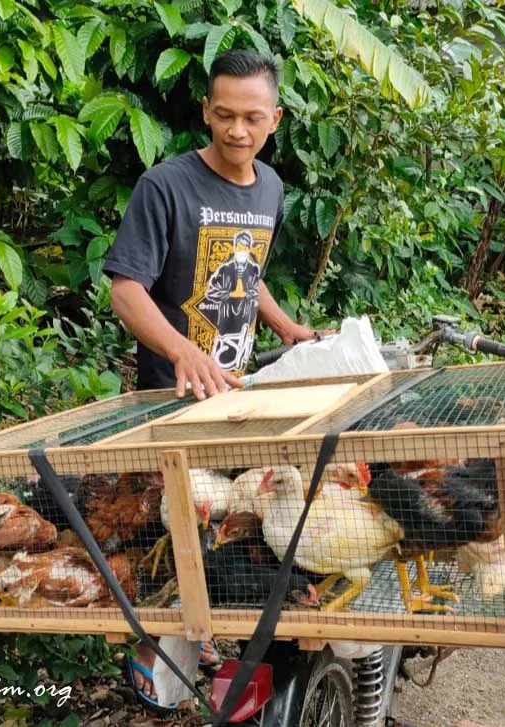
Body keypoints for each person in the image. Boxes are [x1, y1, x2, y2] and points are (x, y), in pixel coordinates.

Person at [103, 49, 322, 708]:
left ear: (275, 119)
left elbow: (243, 274)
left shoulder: (272, 189)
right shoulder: (165, 186)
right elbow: (125, 287)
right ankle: (157, 663)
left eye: (252, 117)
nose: (236, 130)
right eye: (223, 114)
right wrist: (183, 352)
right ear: (205, 110)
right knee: (174, 525)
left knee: (228, 521)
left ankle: (208, 635)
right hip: (172, 396)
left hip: (236, 392)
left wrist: (286, 328)